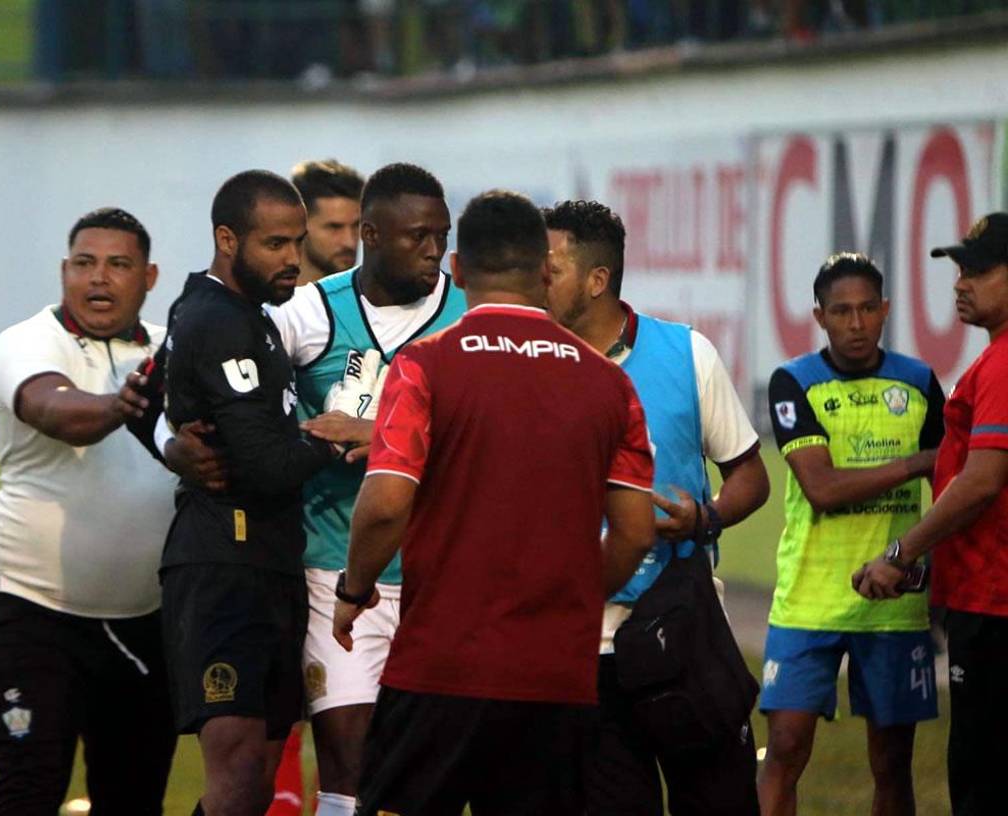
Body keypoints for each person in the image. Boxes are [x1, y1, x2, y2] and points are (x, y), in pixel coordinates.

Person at [145, 162, 462, 816]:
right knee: (346, 758)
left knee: (440, 766)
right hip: (331, 568)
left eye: (442, 234)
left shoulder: (470, 315)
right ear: (372, 235)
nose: (433, 250)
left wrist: (383, 432)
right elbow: (161, 382)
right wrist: (170, 444)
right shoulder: (301, 313)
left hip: (447, 572)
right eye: (416, 236)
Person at [334, 190, 658, 815]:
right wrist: (570, 598)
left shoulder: (424, 366)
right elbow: (636, 534)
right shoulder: (611, 384)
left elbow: (384, 504)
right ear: (543, 270)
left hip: (440, 670)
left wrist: (354, 590)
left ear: (456, 270)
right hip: (556, 679)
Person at [541, 199, 770, 815]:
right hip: (582, 647)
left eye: (552, 266)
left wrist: (706, 517)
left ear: (597, 279)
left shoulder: (687, 353)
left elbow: (749, 474)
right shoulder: (532, 367)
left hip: (686, 631)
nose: (537, 278)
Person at [0, 207, 177, 814]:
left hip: (146, 620)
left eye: (119, 265)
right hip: (34, 612)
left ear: (150, 277)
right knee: (29, 789)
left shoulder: (173, 351)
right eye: (85, 263)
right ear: (64, 272)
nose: (100, 278)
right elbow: (53, 411)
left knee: (134, 800)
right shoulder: (28, 341)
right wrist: (123, 404)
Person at [159, 170, 341, 816]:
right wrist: (337, 439)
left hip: (267, 562)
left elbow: (148, 398)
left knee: (259, 778)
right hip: (223, 567)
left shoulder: (240, 315)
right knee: (237, 773)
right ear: (227, 239)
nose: (292, 259)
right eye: (274, 245)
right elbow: (264, 466)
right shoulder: (219, 320)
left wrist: (168, 442)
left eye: (297, 242)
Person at [760, 253, 946, 816]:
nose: (857, 323)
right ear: (819, 316)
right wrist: (916, 463)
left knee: (892, 763)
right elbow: (822, 487)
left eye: (868, 308)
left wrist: (935, 576)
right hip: (808, 599)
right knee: (786, 749)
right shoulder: (794, 382)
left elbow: (952, 481)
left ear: (886, 308)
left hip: (894, 602)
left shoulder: (918, 383)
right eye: (841, 311)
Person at [853, 212, 1008, 816]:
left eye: (981, 269)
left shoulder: (1001, 364)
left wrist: (901, 550)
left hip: (994, 608)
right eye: (959, 269)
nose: (960, 283)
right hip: (984, 593)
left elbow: (983, 481)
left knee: (982, 781)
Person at [290, 159, 365, 285]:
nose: (350, 242)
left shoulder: (375, 301)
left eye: (356, 226)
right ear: (299, 225)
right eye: (334, 227)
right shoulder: (263, 301)